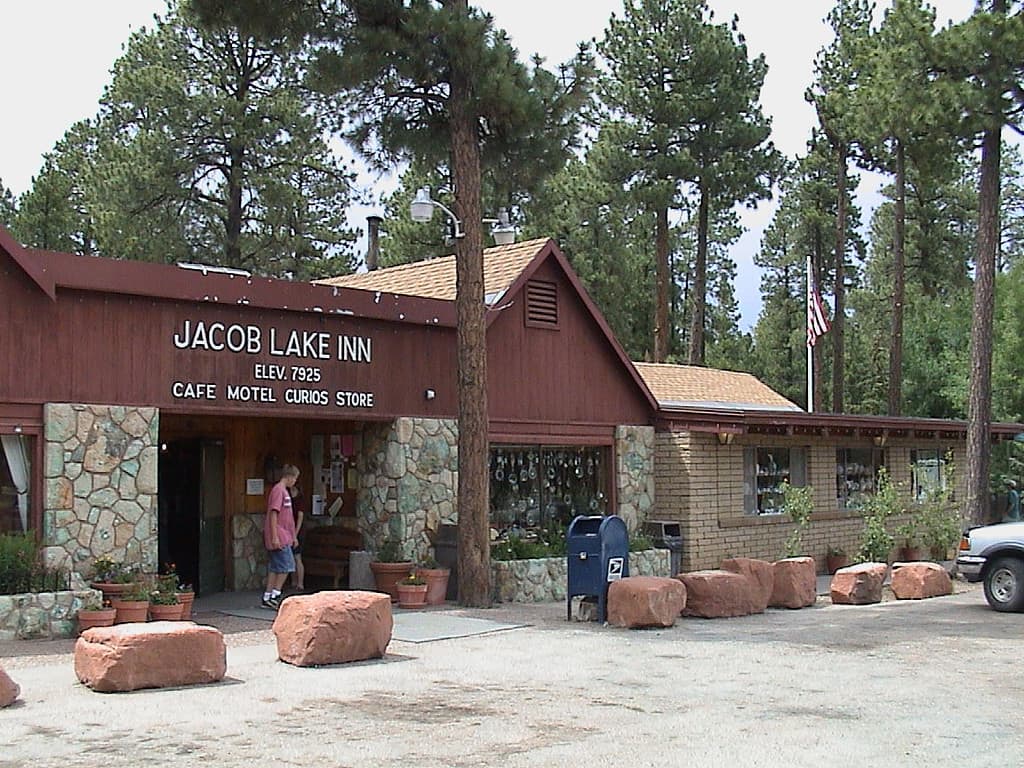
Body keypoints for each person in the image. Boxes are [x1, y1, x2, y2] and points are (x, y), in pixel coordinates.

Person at [262, 464, 299, 609]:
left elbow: (288, 517)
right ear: (289, 477)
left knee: (275, 567)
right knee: (287, 565)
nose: (295, 481)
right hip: (279, 535)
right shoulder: (278, 491)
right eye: (295, 478)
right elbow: (273, 513)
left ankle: (267, 595)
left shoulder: (285, 491)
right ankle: (275, 595)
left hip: (286, 534)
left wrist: (293, 536)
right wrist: (275, 536)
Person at [288, 483, 306, 592]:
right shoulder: (288, 498)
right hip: (288, 530)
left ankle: (300, 583)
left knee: (297, 557)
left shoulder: (300, 500)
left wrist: (295, 534)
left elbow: (300, 517)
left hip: (298, 531)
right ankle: (293, 581)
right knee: (291, 557)